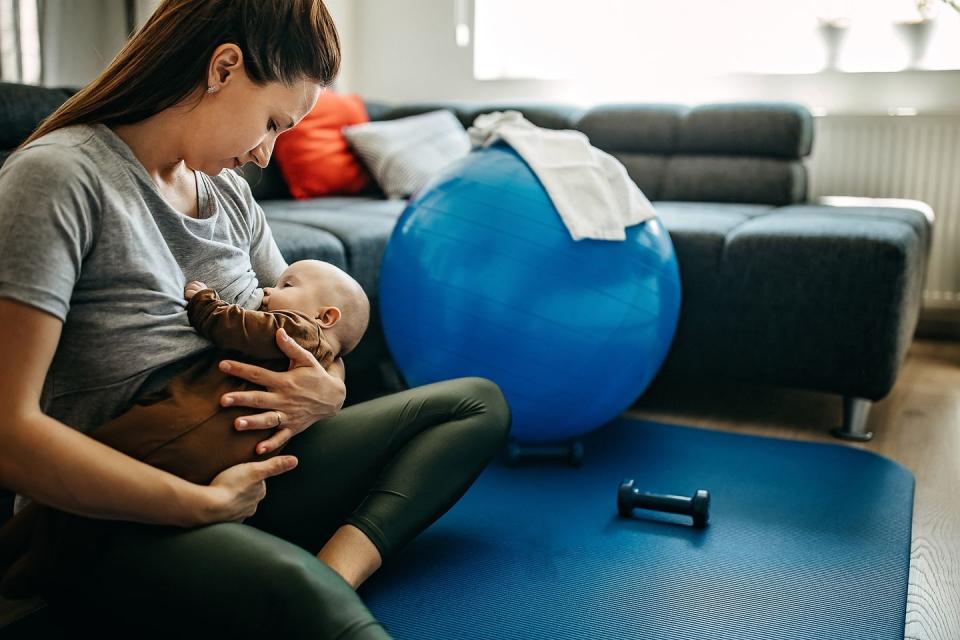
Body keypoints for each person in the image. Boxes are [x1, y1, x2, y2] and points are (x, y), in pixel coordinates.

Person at [0, 1, 510, 638]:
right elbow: (8, 433)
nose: (267, 156)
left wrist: (331, 390)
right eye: (271, 123)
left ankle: (332, 572)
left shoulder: (231, 198)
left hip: (254, 471)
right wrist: (203, 505)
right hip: (119, 514)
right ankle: (304, 588)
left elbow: (311, 328)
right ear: (223, 68)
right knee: (295, 596)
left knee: (477, 404)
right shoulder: (58, 179)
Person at [0, 259, 371, 597]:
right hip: (216, 461)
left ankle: (21, 575)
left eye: (286, 286)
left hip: (179, 428)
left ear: (326, 316)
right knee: (78, 517)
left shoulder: (295, 329)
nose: (267, 291)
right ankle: (30, 573)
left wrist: (205, 303)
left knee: (80, 478)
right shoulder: (319, 342)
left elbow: (244, 329)